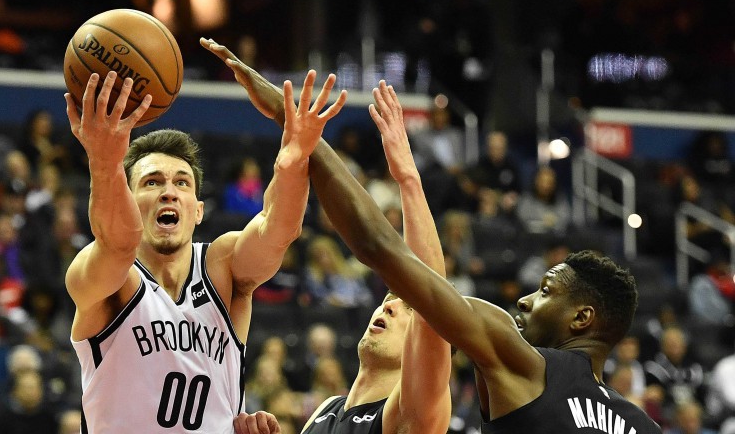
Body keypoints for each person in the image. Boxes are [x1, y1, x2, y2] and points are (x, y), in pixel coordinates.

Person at [200, 39, 661, 434]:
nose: (524, 301)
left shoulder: (519, 363)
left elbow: (385, 251)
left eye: (544, 291)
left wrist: (299, 131)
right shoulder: (643, 425)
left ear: (581, 318)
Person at [62, 62, 346, 433]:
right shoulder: (110, 278)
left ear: (197, 211)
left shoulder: (222, 266)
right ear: (128, 201)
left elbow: (278, 231)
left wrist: (293, 161)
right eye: (151, 182)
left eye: (182, 183)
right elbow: (116, 245)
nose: (168, 191)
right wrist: (104, 165)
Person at [202, 37, 453, 434]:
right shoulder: (324, 413)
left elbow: (432, 299)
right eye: (390, 300)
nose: (388, 308)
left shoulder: (409, 414)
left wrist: (407, 178)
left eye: (405, 309)